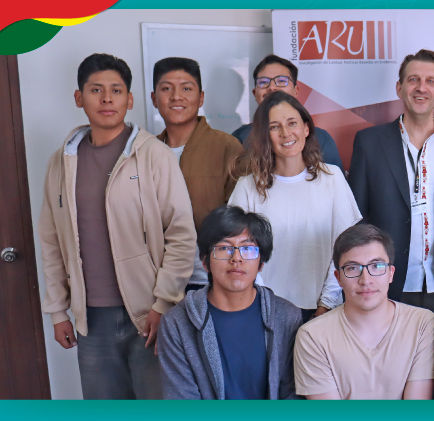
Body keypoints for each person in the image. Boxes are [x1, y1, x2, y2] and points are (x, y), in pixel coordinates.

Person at [38, 53, 196, 399]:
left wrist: (164, 304)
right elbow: (51, 242)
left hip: (149, 313)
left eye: (116, 90)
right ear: (79, 98)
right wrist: (57, 311)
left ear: (130, 99)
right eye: (96, 90)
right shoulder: (60, 163)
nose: (107, 99)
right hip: (90, 319)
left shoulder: (154, 155)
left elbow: (182, 234)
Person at [348, 49, 434, 315]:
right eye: (413, 80)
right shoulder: (369, 142)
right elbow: (357, 216)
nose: (421, 88)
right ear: (399, 88)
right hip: (387, 284)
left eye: (430, 81)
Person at [229, 91, 360, 323]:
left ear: (306, 129)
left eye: (292, 123)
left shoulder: (332, 179)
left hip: (322, 311)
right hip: (262, 311)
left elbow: (346, 250)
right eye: (274, 127)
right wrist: (263, 304)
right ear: (264, 136)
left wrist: (325, 305)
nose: (285, 133)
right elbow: (238, 252)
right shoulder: (247, 187)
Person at [159, 206, 303, 399]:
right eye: (224, 248)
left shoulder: (287, 317)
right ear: (205, 262)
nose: (236, 258)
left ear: (261, 263)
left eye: (247, 249)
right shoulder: (176, 323)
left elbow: (293, 395)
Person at [293, 224, 434, 400]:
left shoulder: (422, 324)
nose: (365, 280)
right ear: (338, 278)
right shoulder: (312, 336)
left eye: (376, 266)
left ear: (391, 273)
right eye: (353, 268)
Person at [151, 57, 244, 291]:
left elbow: (242, 220)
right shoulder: (145, 153)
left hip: (210, 280)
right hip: (156, 280)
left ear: (201, 97)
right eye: (166, 88)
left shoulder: (227, 147)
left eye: (186, 88)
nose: (176, 96)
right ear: (154, 98)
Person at [231, 54, 343, 171]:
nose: (272, 87)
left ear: (296, 91)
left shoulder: (321, 138)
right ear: (255, 94)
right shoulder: (239, 139)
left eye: (281, 81)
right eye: (263, 82)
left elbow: (332, 180)